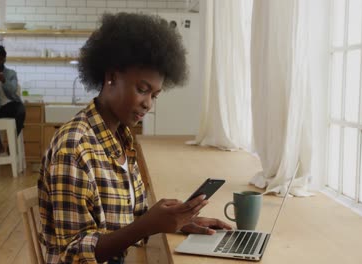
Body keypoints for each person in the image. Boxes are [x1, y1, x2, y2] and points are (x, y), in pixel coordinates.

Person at [38, 12, 232, 264]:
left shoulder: (121, 138)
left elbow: (130, 216)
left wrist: (180, 221)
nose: (148, 104)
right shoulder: (74, 148)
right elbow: (73, 255)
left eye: (155, 95)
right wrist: (147, 226)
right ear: (111, 77)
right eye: (142, 90)